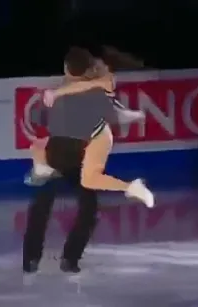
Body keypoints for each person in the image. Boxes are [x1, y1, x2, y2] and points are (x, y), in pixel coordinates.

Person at [22, 47, 153, 274]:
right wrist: (136, 115)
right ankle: (70, 259)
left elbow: (37, 118)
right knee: (88, 207)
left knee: (41, 207)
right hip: (79, 156)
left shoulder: (57, 91)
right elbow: (115, 117)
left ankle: (31, 260)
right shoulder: (96, 93)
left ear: (66, 68)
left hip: (55, 153)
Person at [25, 52, 153, 208]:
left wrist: (56, 93)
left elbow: (87, 89)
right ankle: (131, 187)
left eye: (101, 64)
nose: (98, 67)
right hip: (82, 136)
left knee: (88, 178)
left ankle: (132, 187)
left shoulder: (105, 80)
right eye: (96, 64)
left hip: (99, 135)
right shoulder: (78, 84)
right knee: (87, 179)